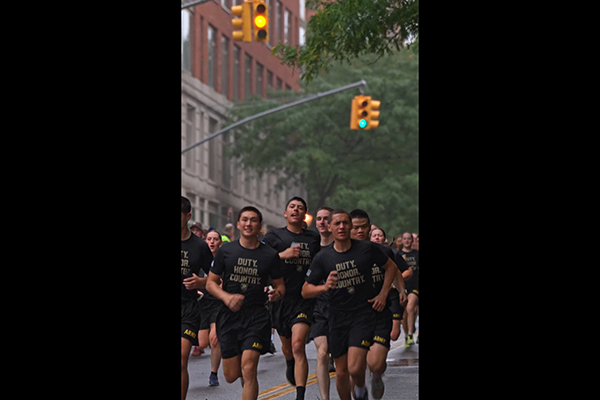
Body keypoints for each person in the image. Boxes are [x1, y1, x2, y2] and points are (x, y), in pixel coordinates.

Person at [302, 209, 398, 400]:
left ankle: (360, 387)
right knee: (342, 371)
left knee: (355, 368)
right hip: (337, 316)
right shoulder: (323, 257)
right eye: (337, 223)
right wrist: (324, 288)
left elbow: (391, 268)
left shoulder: (366, 249)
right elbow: (305, 290)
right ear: (329, 227)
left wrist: (383, 293)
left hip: (362, 314)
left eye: (345, 223)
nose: (342, 227)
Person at [206, 206, 286, 400]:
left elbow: (280, 286)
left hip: (256, 316)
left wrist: (277, 294)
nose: (248, 224)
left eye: (253, 220)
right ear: (238, 224)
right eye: (245, 220)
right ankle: (241, 373)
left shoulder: (270, 255)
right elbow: (210, 283)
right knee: (231, 375)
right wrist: (227, 297)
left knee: (249, 367)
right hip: (229, 316)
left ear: (259, 226)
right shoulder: (226, 251)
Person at [263, 197, 321, 400]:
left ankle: (300, 395)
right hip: (280, 299)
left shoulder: (313, 239)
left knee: (298, 345)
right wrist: (282, 255)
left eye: (300, 208)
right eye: (292, 207)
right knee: (287, 348)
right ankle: (289, 362)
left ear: (304, 214)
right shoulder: (274, 237)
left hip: (303, 298)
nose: (296, 210)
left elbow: (322, 261)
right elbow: (260, 259)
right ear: (286, 213)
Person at [350, 209, 407, 400]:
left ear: (369, 228)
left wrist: (399, 291)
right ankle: (359, 389)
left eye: (363, 227)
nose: (360, 231)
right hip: (354, 314)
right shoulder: (342, 252)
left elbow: (395, 271)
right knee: (354, 367)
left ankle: (376, 376)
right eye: (355, 227)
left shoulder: (383, 251)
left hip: (379, 311)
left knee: (375, 364)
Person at [181, 196, 214, 400]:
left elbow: (214, 275)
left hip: (188, 308)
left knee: (181, 358)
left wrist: (201, 283)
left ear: (188, 216)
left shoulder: (199, 246)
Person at [308, 206, 335, 400]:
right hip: (318, 306)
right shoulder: (310, 248)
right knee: (322, 352)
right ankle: (324, 398)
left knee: (345, 364)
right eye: (319, 219)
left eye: (327, 219)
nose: (322, 222)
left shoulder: (344, 247)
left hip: (343, 307)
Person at [194, 230, 226, 385]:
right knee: (202, 343)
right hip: (202, 302)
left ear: (219, 242)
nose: (212, 242)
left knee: (215, 340)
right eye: (209, 239)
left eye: (215, 239)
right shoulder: (198, 257)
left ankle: (214, 374)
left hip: (218, 303)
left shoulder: (224, 259)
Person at [400, 232, 419, 347]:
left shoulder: (417, 254)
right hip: (401, 286)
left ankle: (411, 333)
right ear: (402, 240)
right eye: (405, 238)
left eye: (409, 239)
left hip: (414, 286)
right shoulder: (397, 254)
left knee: (410, 306)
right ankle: (406, 335)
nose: (407, 241)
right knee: (403, 312)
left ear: (412, 241)